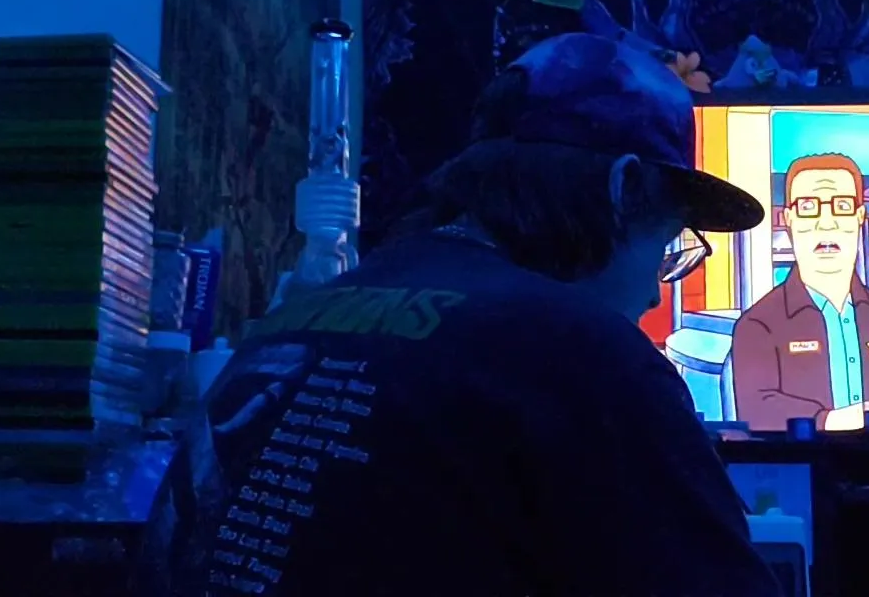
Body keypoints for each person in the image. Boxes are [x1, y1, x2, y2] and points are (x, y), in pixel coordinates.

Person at [182, 33, 782, 596]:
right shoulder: (583, 354)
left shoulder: (291, 321)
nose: (655, 294)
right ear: (623, 190)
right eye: (668, 246)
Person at [730, 153, 869, 432]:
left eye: (842, 206)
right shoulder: (758, 324)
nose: (826, 223)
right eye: (808, 206)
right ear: (788, 219)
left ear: (860, 216)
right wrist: (838, 422)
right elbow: (758, 411)